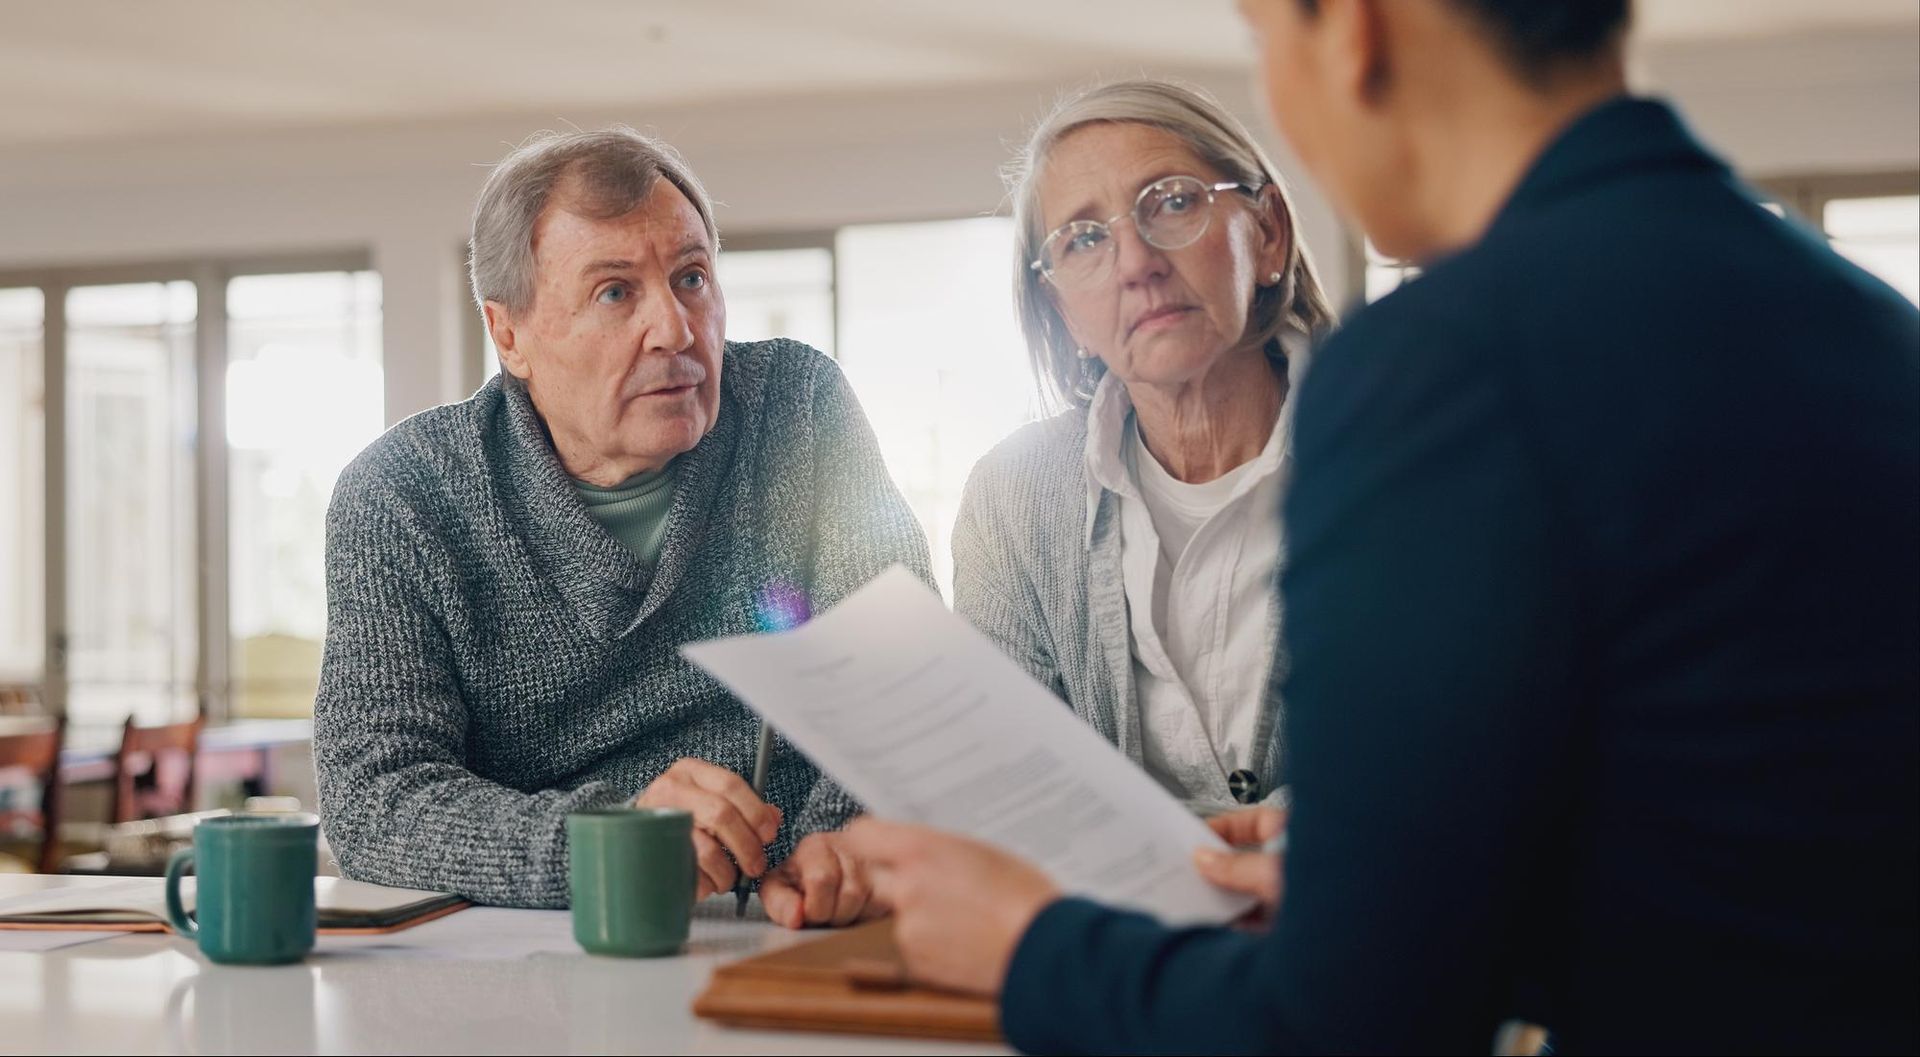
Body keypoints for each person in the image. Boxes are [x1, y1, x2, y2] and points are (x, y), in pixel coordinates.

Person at [842, 0, 1920, 1052]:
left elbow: (1354, 1025)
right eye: (1082, 239)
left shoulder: (1442, 365)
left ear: (1351, 29)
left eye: (1265, 39)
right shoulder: (1869, 325)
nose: (1132, 258)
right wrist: (1373, 868)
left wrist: (1030, 947)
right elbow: (1737, 848)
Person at [314, 127, 927, 928]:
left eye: (692, 277)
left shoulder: (796, 408)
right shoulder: (402, 496)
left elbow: (901, 686)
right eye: (615, 292)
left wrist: (832, 851)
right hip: (536, 947)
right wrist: (610, 841)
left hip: (796, 922)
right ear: (510, 335)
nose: (675, 329)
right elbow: (374, 801)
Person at [953, 79, 1335, 816]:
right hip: (1113, 924)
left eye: (1172, 201)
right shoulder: (1012, 497)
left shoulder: (1404, 446)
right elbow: (1010, 786)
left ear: (1267, 234)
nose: (1136, 262)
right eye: (1085, 239)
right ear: (1062, 310)